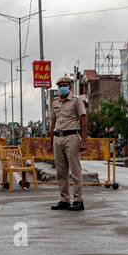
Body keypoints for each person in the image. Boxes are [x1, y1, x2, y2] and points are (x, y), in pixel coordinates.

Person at [49, 75, 88, 211]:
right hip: (57, 137)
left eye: (64, 85)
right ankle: (64, 199)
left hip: (72, 136)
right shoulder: (55, 103)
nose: (62, 88)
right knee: (61, 171)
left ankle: (78, 200)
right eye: (59, 86)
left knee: (75, 171)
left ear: (70, 87)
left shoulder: (77, 101)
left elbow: (83, 120)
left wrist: (84, 141)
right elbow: (53, 123)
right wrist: (50, 142)